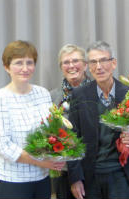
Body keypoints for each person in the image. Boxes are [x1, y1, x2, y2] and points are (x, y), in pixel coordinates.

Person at [67, 41, 129, 199]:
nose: (99, 67)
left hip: (121, 174)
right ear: (89, 67)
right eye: (93, 62)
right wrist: (75, 178)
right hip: (90, 175)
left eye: (103, 60)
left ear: (114, 63)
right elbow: (72, 139)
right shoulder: (79, 95)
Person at [0, 40, 65, 199]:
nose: (25, 68)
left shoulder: (42, 93)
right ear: (6, 67)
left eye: (29, 62)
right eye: (18, 63)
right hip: (12, 182)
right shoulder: (0, 99)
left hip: (41, 179)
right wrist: (42, 162)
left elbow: (51, 130)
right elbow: (4, 147)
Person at [50, 44, 91, 199]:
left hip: (92, 169)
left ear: (85, 65)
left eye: (76, 61)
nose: (71, 66)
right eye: (66, 62)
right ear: (61, 67)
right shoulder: (53, 97)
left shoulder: (98, 92)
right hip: (63, 169)